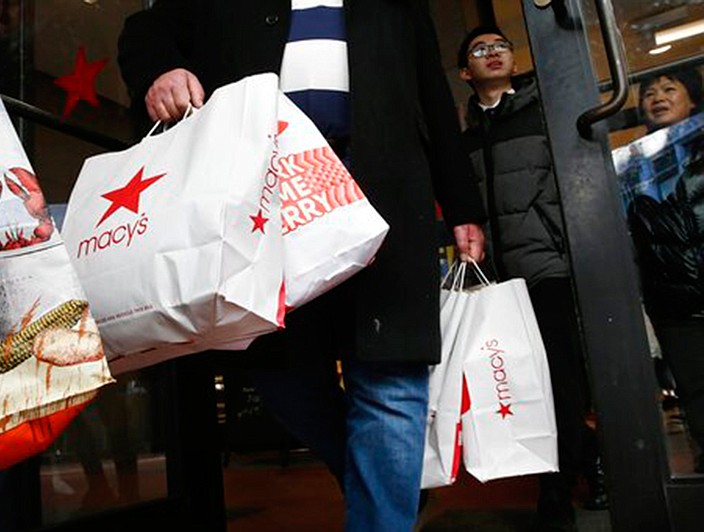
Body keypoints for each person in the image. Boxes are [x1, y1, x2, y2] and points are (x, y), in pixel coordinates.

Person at [118, 2, 487, 530]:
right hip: (264, 198)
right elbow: (146, 28)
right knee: (278, 373)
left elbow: (431, 90)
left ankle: (383, 513)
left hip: (382, 189)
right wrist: (160, 71)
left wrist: (462, 205)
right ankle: (379, 480)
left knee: (390, 376)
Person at [456, 25, 605, 531]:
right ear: (464, 72)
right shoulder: (466, 136)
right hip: (500, 279)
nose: (493, 53)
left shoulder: (543, 112)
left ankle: (556, 490)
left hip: (548, 266)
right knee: (521, 382)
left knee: (561, 379)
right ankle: (590, 456)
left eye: (500, 46)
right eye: (480, 49)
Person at [629, 67, 704, 474]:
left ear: (692, 99)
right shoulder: (635, 164)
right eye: (649, 92)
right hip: (673, 296)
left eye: (669, 89)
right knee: (696, 392)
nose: (657, 96)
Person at [639, 68, 702, 133]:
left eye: (669, 89)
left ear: (691, 100)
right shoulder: (644, 143)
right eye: (650, 94)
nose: (658, 99)